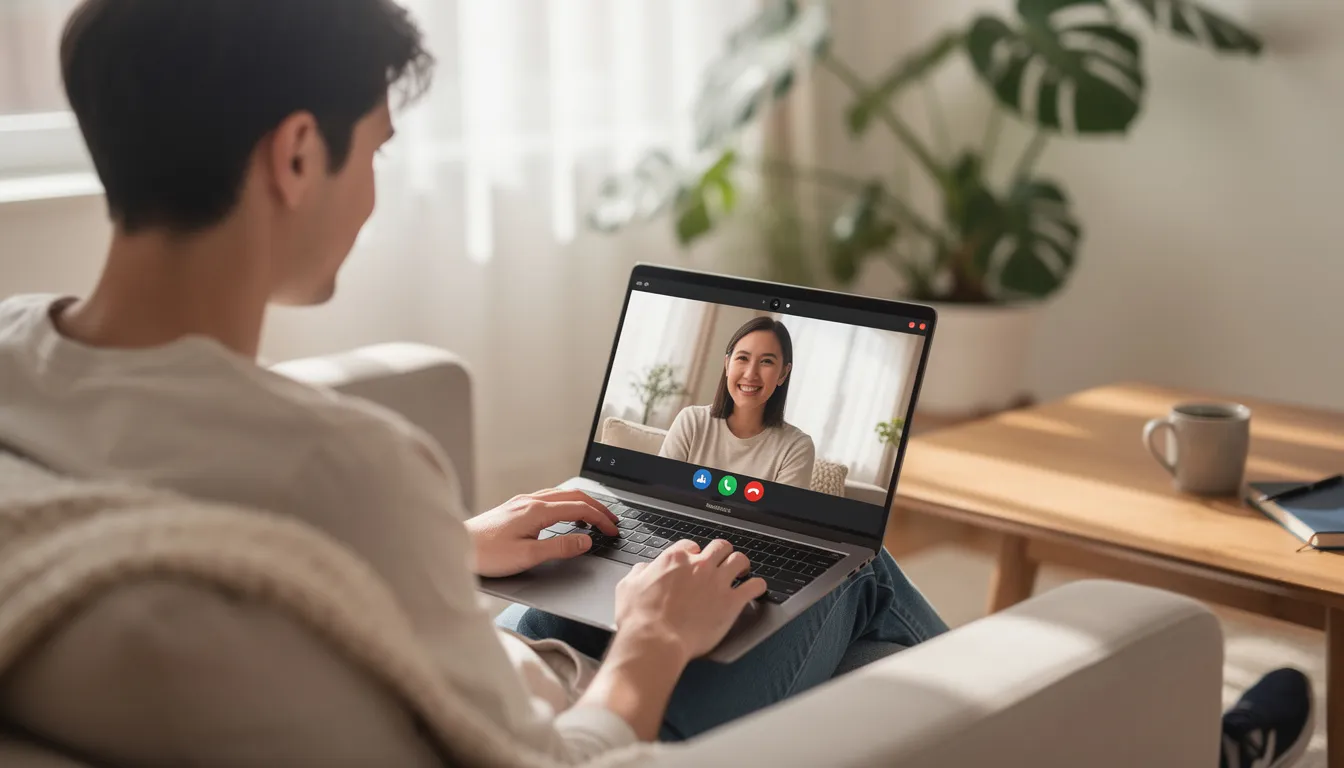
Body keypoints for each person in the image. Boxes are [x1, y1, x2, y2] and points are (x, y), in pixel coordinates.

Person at [0, 2, 1310, 766]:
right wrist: (645, 642)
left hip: (482, 637)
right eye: (372, 151)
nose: (371, 192)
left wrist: (446, 549)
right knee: (846, 575)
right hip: (569, 698)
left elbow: (229, 540)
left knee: (825, 556)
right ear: (295, 156)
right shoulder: (345, 470)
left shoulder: (16, 366)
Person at [660, 317, 816, 489]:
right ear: (727, 363)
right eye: (743, 358)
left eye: (766, 361)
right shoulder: (691, 421)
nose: (750, 374)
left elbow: (779, 515)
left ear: (783, 374)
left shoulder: (796, 447)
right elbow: (659, 491)